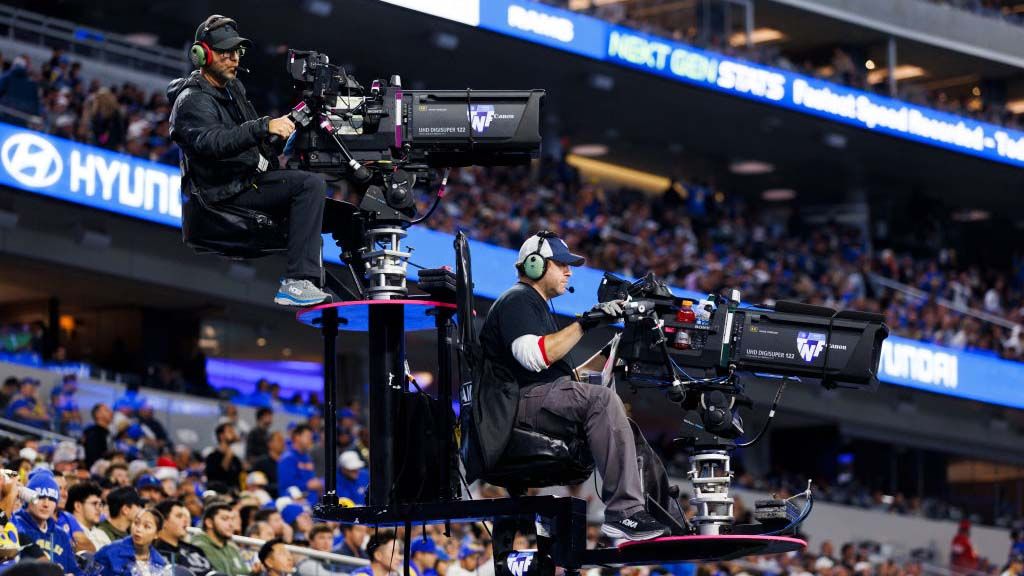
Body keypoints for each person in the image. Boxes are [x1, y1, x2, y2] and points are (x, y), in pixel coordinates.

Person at [476, 231, 670, 541]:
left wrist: (612, 352)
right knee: (603, 401)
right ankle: (624, 512)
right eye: (561, 264)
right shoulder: (518, 298)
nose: (569, 271)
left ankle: (659, 515)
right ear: (535, 265)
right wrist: (585, 322)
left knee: (623, 422)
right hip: (513, 405)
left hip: (533, 399)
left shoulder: (538, 307)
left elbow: (562, 382)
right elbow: (533, 356)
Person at [168, 14, 331, 306]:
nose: (233, 58)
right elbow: (213, 142)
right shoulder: (191, 100)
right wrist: (263, 125)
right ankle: (296, 282)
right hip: (224, 195)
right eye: (225, 52)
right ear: (201, 54)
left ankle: (319, 283)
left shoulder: (233, 89)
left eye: (236, 52)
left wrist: (284, 134)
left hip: (246, 182)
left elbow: (250, 140)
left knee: (326, 203)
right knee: (310, 186)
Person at [10, 469, 80, 575]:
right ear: (28, 498)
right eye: (41, 497)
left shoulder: (60, 534)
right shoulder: (15, 524)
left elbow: (73, 570)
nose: (46, 504)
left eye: (52, 499)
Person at [92, 508, 168, 576]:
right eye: (136, 523)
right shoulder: (109, 552)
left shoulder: (160, 563)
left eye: (146, 526)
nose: (138, 529)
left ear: (157, 534)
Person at [154, 499, 213, 576]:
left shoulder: (195, 550)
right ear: (163, 522)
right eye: (179, 516)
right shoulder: (154, 553)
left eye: (187, 517)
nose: (186, 521)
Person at [192, 502, 249, 575]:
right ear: (209, 523)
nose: (231, 524)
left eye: (232, 519)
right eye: (225, 519)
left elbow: (244, 573)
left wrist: (254, 573)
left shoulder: (232, 549)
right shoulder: (198, 547)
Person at [278, 424, 322, 503]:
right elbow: (287, 484)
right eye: (308, 437)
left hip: (312, 502)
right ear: (297, 437)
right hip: (294, 503)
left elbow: (311, 479)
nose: (310, 440)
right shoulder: (288, 458)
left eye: (311, 437)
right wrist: (307, 485)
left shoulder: (307, 458)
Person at [65, 481, 109, 551]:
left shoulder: (102, 534)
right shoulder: (66, 531)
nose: (99, 509)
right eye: (94, 504)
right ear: (78, 506)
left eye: (100, 504)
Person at [205, 422, 245, 490]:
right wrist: (228, 456)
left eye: (233, 431)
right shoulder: (212, 458)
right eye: (230, 431)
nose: (234, 434)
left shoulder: (236, 459)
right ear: (221, 436)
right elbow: (217, 477)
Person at [252, 430, 285, 497]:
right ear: (270, 444)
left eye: (283, 440)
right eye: (279, 440)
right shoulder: (261, 463)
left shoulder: (287, 463)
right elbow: (257, 485)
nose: (282, 443)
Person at [83, 403, 113, 467]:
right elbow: (93, 457)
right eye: (106, 410)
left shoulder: (108, 433)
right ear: (97, 415)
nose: (111, 412)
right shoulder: (93, 433)